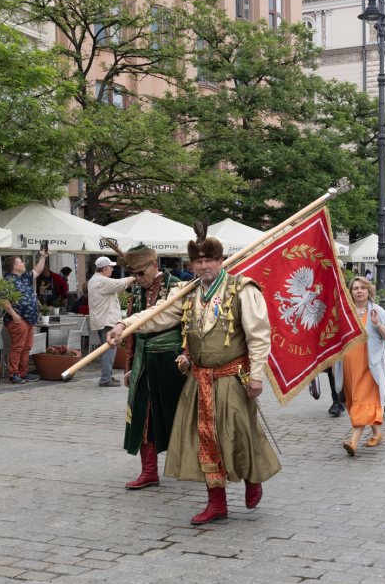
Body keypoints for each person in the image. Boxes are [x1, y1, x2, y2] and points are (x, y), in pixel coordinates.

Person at [106, 225, 279, 525]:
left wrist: (257, 375)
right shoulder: (186, 292)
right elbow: (155, 316)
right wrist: (124, 325)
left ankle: (253, 479)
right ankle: (217, 502)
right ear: (192, 266)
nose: (204, 266)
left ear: (220, 260)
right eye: (198, 262)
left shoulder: (242, 289)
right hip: (199, 380)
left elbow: (259, 335)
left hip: (231, 377)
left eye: (209, 260)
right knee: (205, 440)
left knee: (238, 433)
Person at [116, 245, 188, 489]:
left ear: (155, 265)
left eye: (140, 273)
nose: (137, 278)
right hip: (143, 362)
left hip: (171, 359)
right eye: (134, 274)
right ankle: (149, 472)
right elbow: (132, 332)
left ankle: (201, 465)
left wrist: (187, 357)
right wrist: (128, 366)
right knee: (142, 414)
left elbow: (189, 326)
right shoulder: (136, 290)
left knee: (181, 413)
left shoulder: (177, 285)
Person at [335, 277, 385, 455]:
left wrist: (377, 324)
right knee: (355, 400)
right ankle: (376, 433)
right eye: (355, 288)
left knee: (361, 400)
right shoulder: (345, 312)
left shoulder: (377, 311)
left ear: (368, 291)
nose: (359, 291)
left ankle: (353, 442)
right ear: (350, 292)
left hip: (370, 365)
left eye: (362, 288)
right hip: (349, 365)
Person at [88, 256, 136, 388]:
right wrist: (137, 274)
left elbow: (117, 288)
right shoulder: (101, 280)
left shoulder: (96, 280)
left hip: (103, 319)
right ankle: (105, 379)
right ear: (105, 269)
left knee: (107, 349)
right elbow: (120, 282)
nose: (112, 269)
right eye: (110, 267)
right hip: (107, 320)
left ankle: (107, 375)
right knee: (109, 349)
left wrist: (128, 283)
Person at [1, 251, 46, 383]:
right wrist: (14, 316)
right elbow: (3, 300)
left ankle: (23, 372)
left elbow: (37, 270)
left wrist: (43, 257)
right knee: (17, 347)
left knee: (26, 347)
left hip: (29, 319)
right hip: (17, 319)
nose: (23, 263)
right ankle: (14, 374)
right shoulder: (8, 280)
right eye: (21, 261)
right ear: (15, 267)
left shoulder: (25, 277)